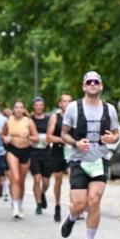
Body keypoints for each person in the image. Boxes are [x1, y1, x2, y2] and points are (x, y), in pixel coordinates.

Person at [59, 72, 120, 239]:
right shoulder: (73, 108)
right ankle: (71, 218)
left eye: (96, 82)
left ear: (101, 86)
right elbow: (64, 133)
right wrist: (75, 143)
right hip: (78, 160)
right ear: (84, 87)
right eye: (89, 82)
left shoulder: (110, 109)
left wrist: (113, 138)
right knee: (78, 204)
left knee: (94, 200)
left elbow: (117, 134)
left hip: (100, 160)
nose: (93, 84)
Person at [0, 100, 38, 218]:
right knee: (15, 178)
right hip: (12, 150)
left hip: (25, 151)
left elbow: (36, 138)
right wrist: (5, 138)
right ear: (13, 109)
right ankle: (15, 207)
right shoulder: (8, 121)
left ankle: (19, 203)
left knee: (21, 181)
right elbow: (3, 135)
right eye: (16, 107)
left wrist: (28, 136)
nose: (19, 109)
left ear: (24, 109)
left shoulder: (29, 121)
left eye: (21, 107)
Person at [46, 93, 73, 221]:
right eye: (64, 101)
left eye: (69, 101)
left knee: (73, 178)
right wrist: (63, 139)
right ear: (60, 104)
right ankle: (57, 205)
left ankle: (74, 207)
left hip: (71, 152)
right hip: (57, 151)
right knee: (58, 180)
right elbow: (48, 137)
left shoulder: (76, 117)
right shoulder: (55, 117)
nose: (66, 104)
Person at [29, 96, 53, 215]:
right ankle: (38, 203)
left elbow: (53, 132)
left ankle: (42, 193)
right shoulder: (29, 119)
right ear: (33, 106)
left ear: (43, 106)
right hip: (33, 152)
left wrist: (49, 139)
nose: (38, 107)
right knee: (37, 179)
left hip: (46, 152)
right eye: (36, 105)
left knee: (46, 181)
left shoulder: (49, 119)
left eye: (40, 105)